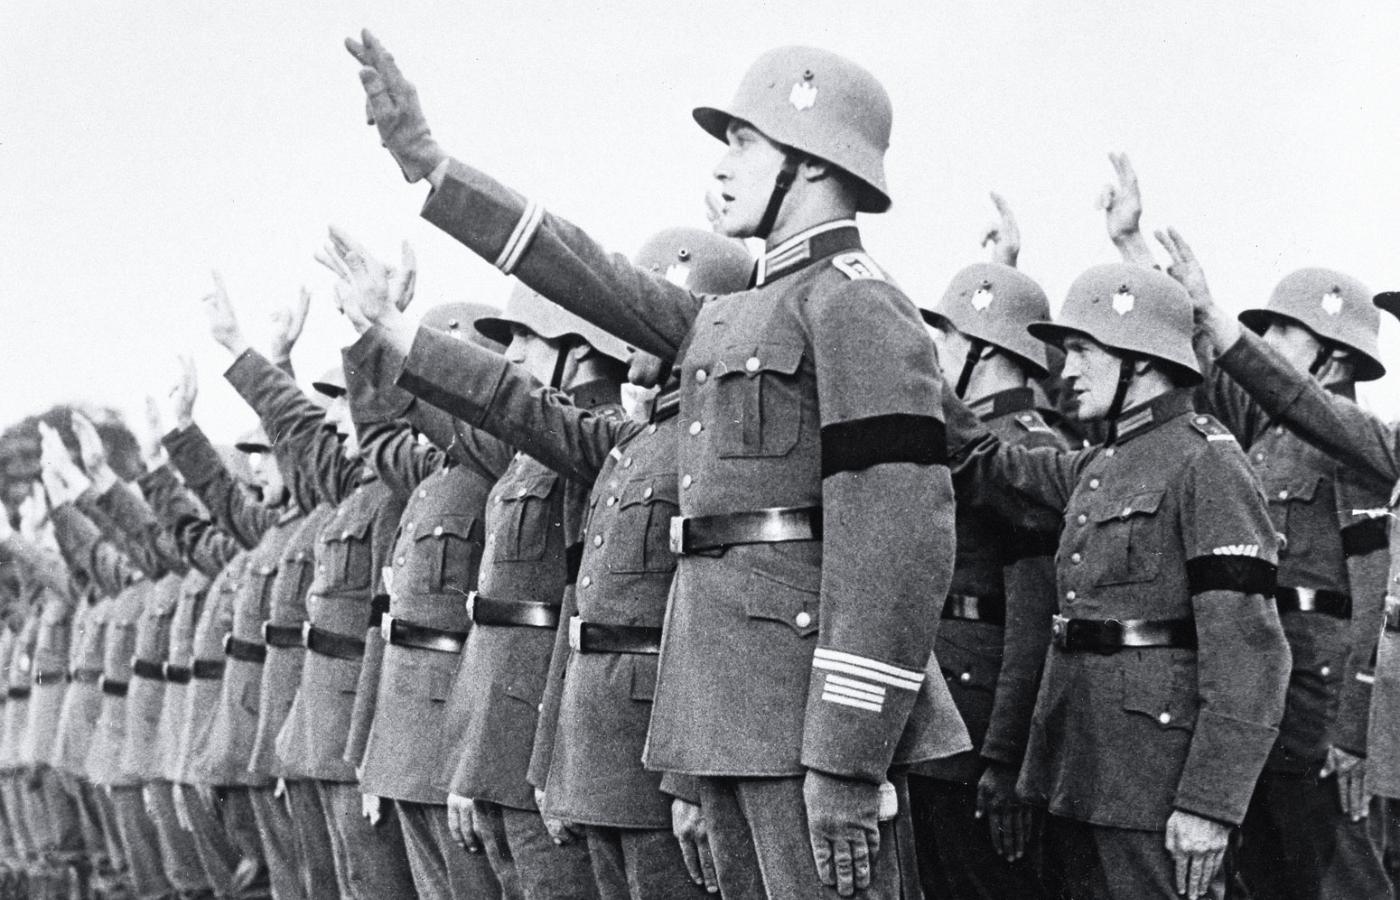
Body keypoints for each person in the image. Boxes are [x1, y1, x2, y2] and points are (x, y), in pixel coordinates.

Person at [345, 32, 970, 899]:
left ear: (813, 162)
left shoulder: (858, 305)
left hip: (807, 727)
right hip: (724, 722)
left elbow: (896, 548)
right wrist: (430, 166)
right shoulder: (736, 315)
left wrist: (848, 757)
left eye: (744, 143)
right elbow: (587, 273)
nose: (722, 165)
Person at [333, 225, 751, 899]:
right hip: (575, 749)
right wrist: (378, 331)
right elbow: (501, 405)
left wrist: (683, 778)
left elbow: (710, 616)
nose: (515, 353)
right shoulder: (625, 443)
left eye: (526, 337)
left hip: (640, 756)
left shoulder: (688, 444)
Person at [943, 261, 1291, 899]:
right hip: (1080, 769)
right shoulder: (1099, 463)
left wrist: (1210, 803)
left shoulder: (1207, 461)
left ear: (1141, 357)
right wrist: (915, 372)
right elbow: (991, 468)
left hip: (1155, 780)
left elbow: (1248, 652)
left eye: (1083, 350)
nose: (1066, 370)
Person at [1101, 159, 1393, 898]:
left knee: (1340, 879)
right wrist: (1134, 248)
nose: (1264, 345)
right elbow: (1198, 358)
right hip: (1269, 700)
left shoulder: (1360, 450)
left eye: (1282, 333)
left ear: (1332, 352)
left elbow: (1372, 599)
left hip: (1320, 711)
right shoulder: (1262, 435)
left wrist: (1353, 730)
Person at [908, 197, 1064, 899]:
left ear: (987, 352)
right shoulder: (973, 441)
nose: (935, 354)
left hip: (977, 731)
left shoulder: (1028, 450)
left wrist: (1005, 758)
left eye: (947, 338)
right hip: (938, 720)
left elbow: (1033, 619)